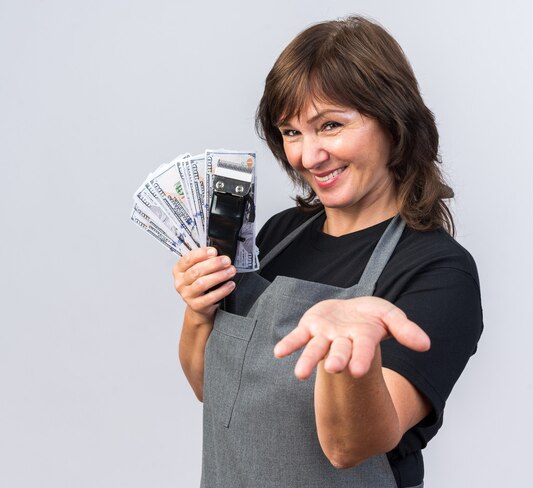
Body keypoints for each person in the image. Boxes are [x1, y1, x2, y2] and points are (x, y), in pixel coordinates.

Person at [172, 16, 483, 488]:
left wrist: (346, 348)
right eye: (291, 132)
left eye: (330, 126)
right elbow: (212, 392)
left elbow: (350, 448)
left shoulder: (437, 272)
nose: (308, 156)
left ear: (393, 121)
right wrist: (199, 311)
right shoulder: (277, 236)